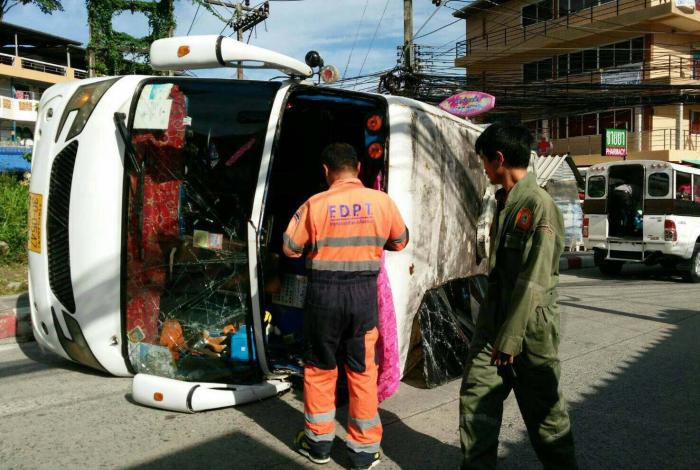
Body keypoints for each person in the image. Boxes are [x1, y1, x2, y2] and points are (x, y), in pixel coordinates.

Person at [283, 143, 409, 470]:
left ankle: (318, 444)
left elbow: (290, 248)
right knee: (362, 371)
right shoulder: (382, 202)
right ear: (358, 168)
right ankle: (364, 451)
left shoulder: (315, 204)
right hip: (363, 298)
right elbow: (400, 241)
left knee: (320, 369)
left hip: (323, 297)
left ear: (326, 170)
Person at [459, 123, 577, 469]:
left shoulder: (539, 206)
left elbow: (535, 281)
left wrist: (510, 339)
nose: (482, 168)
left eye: (483, 160)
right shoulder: (504, 202)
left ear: (498, 159)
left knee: (546, 419)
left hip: (529, 332)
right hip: (494, 324)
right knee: (476, 402)